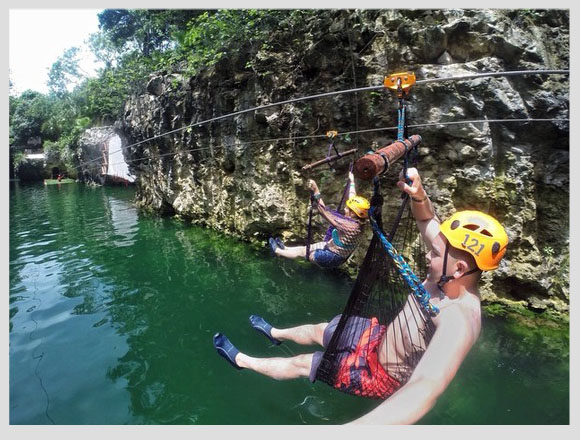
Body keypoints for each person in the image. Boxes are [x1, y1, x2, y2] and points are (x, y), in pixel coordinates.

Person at [213, 167, 508, 424]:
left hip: (380, 374)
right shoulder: (451, 268)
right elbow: (426, 221)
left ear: (458, 269)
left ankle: (242, 361)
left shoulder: (459, 319)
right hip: (378, 338)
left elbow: (426, 386)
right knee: (321, 329)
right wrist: (419, 195)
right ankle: (275, 333)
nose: (427, 255)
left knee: (307, 362)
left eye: (433, 253)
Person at [269, 172, 370, 268]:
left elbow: (323, 211)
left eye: (348, 209)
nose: (345, 209)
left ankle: (278, 251)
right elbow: (353, 197)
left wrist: (316, 190)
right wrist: (351, 181)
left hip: (331, 257)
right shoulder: (360, 221)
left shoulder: (349, 226)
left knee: (305, 254)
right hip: (332, 246)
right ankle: (285, 248)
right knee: (303, 249)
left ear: (353, 213)